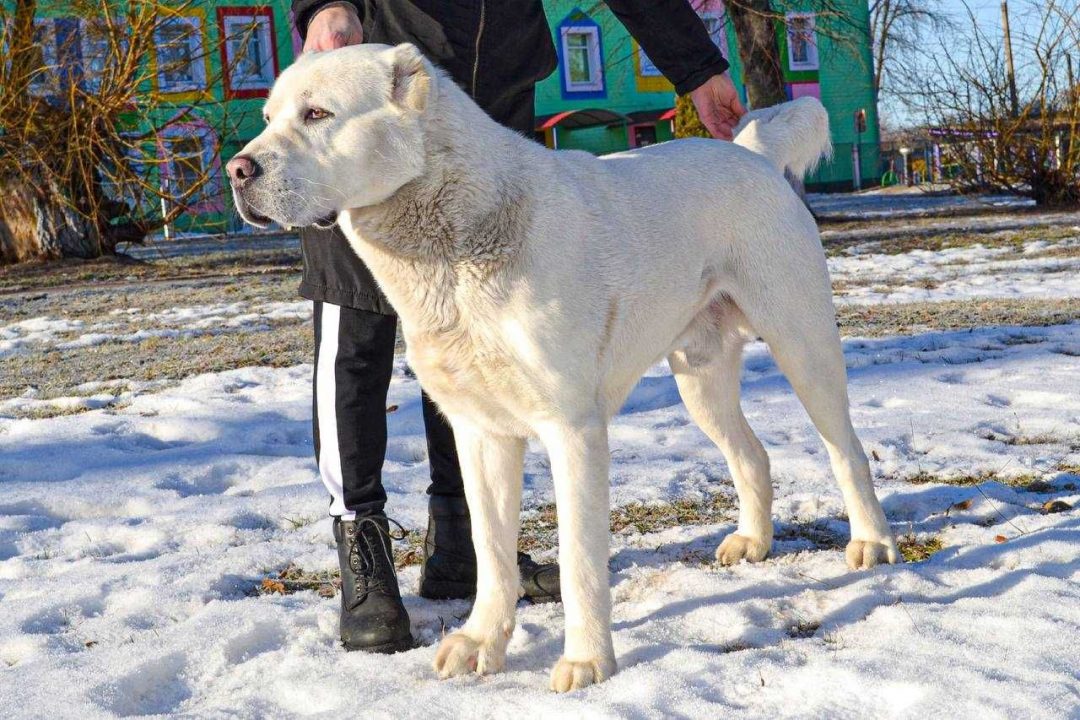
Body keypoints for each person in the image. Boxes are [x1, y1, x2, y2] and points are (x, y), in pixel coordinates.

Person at [289, 0, 746, 654]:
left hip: (489, 97)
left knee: (476, 332)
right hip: (368, 93)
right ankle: (362, 549)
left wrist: (697, 69)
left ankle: (462, 546)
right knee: (355, 323)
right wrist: (327, 10)